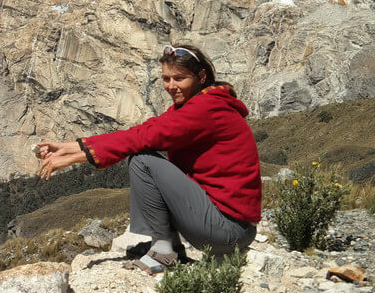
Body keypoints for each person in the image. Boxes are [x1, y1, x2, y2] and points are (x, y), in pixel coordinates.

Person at [34, 44, 261, 273]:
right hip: (230, 228)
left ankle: (163, 252)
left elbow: (144, 138)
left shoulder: (205, 109)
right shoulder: (197, 104)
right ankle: (169, 247)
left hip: (229, 231)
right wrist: (70, 147)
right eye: (166, 79)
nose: (171, 86)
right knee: (144, 155)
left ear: (201, 76)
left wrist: (76, 158)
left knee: (143, 161)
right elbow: (143, 130)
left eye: (179, 78)